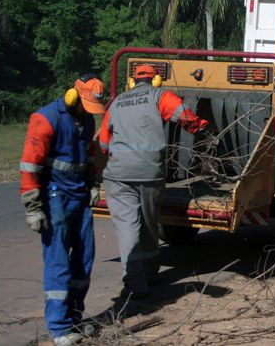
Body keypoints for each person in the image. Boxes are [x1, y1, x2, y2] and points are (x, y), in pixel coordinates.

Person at [98, 64, 208, 298]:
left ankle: (135, 282)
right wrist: (203, 130)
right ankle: (148, 273)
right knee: (149, 223)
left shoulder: (117, 102)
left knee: (128, 227)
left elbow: (104, 143)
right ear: (155, 79)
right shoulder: (160, 96)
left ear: (132, 81)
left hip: (119, 175)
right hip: (149, 174)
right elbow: (186, 117)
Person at [19, 74, 106, 346]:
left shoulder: (87, 119)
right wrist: (33, 207)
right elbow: (29, 166)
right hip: (54, 196)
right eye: (85, 105)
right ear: (72, 97)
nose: (87, 111)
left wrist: (93, 182)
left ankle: (75, 317)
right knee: (59, 262)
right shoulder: (46, 119)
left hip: (80, 195)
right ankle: (58, 327)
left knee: (84, 258)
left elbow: (90, 154)